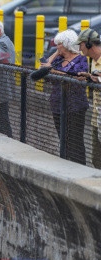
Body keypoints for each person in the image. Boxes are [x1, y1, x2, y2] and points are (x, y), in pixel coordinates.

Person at [40, 29, 89, 165]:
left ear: (67, 44)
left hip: (75, 105)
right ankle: (66, 164)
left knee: (75, 140)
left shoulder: (81, 59)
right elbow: (42, 67)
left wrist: (54, 72)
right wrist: (56, 53)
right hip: (57, 104)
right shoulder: (58, 59)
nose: (56, 46)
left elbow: (78, 77)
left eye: (59, 44)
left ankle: (79, 167)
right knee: (63, 139)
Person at [77, 28, 101, 168]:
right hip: (96, 116)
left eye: (80, 44)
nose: (79, 48)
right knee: (96, 159)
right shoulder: (93, 61)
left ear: (88, 44)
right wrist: (89, 77)